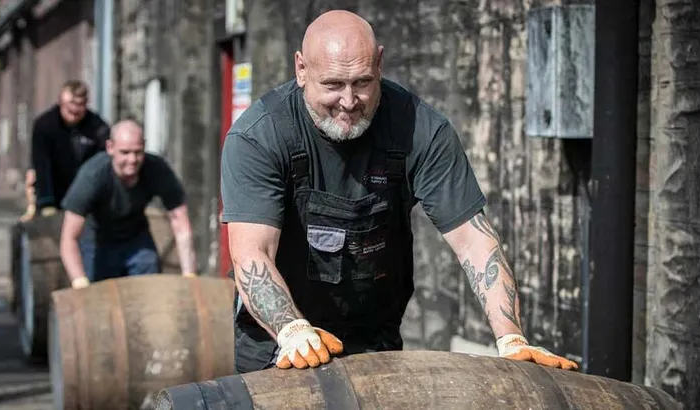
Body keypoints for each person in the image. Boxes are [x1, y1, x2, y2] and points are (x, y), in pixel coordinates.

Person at [220, 10, 579, 373]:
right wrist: (292, 330)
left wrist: (511, 338)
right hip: (277, 343)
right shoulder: (259, 136)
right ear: (301, 69)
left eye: (362, 82)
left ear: (379, 62)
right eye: (332, 85)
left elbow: (474, 241)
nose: (348, 101)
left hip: (373, 342)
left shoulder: (419, 128)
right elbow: (252, 253)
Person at [59, 119, 197, 289]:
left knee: (151, 291)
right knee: (97, 300)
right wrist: (79, 281)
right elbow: (68, 238)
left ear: (144, 146)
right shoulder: (92, 176)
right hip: (98, 241)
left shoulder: (157, 169)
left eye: (137, 152)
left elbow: (181, 224)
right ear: (110, 147)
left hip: (137, 241)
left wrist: (189, 274)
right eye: (124, 152)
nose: (132, 159)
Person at [30, 80, 111, 218]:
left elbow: (103, 165)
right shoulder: (45, 126)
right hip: (54, 193)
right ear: (60, 102)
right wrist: (46, 202)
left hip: (86, 196)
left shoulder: (98, 128)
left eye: (80, 105)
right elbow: (42, 165)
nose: (74, 110)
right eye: (70, 105)